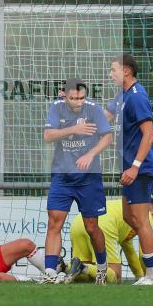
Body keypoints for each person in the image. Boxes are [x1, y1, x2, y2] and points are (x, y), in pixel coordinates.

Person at [42, 78, 114, 284]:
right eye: (74, 98)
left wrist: (90, 154)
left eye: (82, 97)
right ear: (63, 94)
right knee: (54, 223)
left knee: (91, 227)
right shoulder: (56, 108)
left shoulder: (93, 109)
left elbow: (107, 138)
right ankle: (50, 272)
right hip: (62, 177)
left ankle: (101, 268)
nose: (78, 102)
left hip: (88, 179)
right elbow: (48, 136)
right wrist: (74, 129)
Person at [110, 53, 153, 285]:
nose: (110, 74)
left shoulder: (137, 96)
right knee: (128, 216)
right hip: (130, 167)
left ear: (126, 71)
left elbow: (149, 135)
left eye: (113, 70)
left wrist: (135, 167)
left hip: (139, 168)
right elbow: (103, 117)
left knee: (141, 220)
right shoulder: (122, 96)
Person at [66, 197, 153, 284]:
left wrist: (140, 276)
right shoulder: (146, 215)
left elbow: (130, 253)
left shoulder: (126, 208)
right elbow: (144, 253)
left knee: (83, 277)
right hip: (103, 226)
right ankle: (82, 267)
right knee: (115, 275)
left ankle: (64, 266)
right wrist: (151, 275)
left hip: (80, 222)